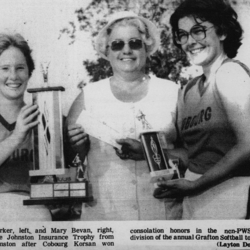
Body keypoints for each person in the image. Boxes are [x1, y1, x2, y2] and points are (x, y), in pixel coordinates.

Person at [67, 11, 180, 220]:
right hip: (105, 217)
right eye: (117, 44)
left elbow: (192, 153)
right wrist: (78, 150)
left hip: (162, 217)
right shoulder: (87, 96)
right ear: (106, 51)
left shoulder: (172, 92)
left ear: (147, 47)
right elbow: (71, 163)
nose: (126, 50)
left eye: (135, 43)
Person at [154, 0, 250, 219]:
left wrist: (196, 185)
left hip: (233, 195)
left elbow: (248, 146)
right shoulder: (188, 89)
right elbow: (194, 155)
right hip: (196, 198)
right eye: (183, 35)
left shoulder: (230, 75)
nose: (190, 42)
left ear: (222, 31)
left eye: (198, 31)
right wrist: (144, 150)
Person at [0, 32, 51, 221]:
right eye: (4, 68)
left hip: (35, 211)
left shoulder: (46, 118)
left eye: (20, 68)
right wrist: (16, 136)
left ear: (29, 72)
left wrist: (77, 145)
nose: (13, 76)